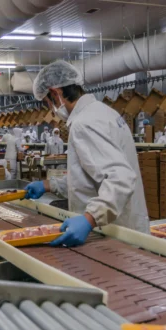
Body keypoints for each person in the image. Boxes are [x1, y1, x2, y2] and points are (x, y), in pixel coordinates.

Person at [25, 60, 149, 247]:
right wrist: (50, 185)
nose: (51, 109)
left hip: (113, 236)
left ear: (56, 94)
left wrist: (90, 218)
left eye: (47, 102)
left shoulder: (84, 123)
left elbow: (120, 178)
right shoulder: (105, 113)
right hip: (125, 228)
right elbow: (91, 178)